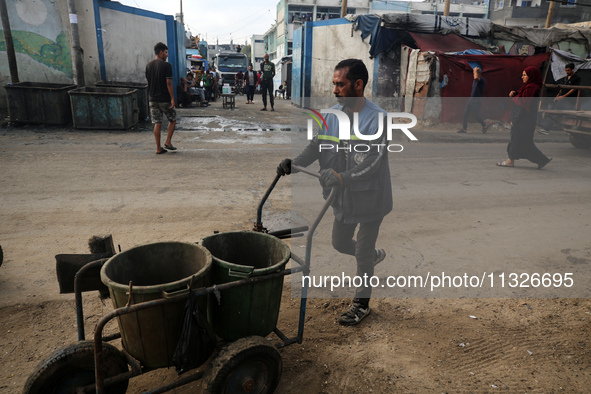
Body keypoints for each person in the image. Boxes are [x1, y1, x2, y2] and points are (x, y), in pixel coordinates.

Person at [276, 59, 390, 326]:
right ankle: (372, 257)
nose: (335, 90)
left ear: (358, 85)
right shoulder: (332, 115)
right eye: (334, 84)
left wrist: (343, 176)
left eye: (341, 84)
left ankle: (362, 304)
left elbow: (373, 163)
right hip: (341, 195)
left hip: (370, 195)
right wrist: (296, 163)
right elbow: (318, 144)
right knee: (340, 242)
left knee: (361, 250)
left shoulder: (378, 119)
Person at [497, 66, 552, 169]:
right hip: (525, 120)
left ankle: (513, 160)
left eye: (524, 75)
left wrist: (515, 119)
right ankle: (539, 160)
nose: (522, 77)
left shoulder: (531, 88)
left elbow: (523, 105)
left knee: (523, 142)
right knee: (519, 141)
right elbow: (521, 99)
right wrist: (513, 95)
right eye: (522, 75)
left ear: (531, 76)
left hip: (523, 121)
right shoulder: (528, 87)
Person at [145, 42, 176, 154]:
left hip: (152, 99)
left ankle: (158, 148)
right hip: (164, 99)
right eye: (166, 52)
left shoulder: (148, 65)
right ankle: (168, 142)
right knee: (172, 119)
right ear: (161, 52)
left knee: (157, 122)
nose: (167, 55)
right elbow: (168, 83)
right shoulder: (166, 66)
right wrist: (172, 98)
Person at [457, 67, 488, 134]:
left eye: (474, 72)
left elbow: (476, 77)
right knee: (465, 113)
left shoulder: (482, 80)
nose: (473, 73)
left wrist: (475, 70)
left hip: (477, 101)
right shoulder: (475, 80)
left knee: (475, 115)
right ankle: (464, 129)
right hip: (471, 99)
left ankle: (484, 125)